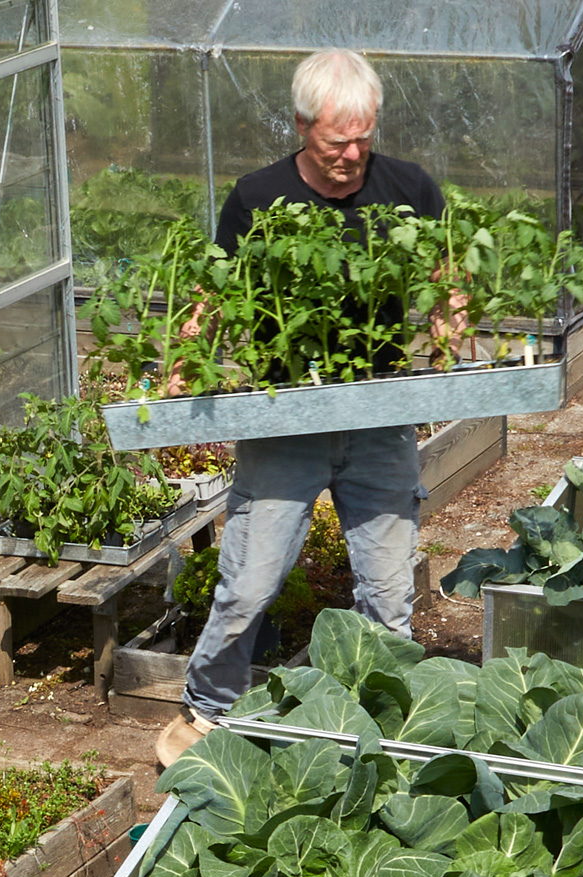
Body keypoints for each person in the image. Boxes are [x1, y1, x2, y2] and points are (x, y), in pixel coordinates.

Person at [155, 48, 453, 768]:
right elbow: (214, 294)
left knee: (387, 592)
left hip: (379, 418)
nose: (352, 156)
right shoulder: (256, 199)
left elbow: (449, 275)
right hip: (285, 422)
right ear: (301, 126)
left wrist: (453, 316)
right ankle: (207, 712)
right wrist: (183, 361)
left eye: (362, 139)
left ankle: (384, 722)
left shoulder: (408, 188)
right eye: (335, 142)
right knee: (250, 581)